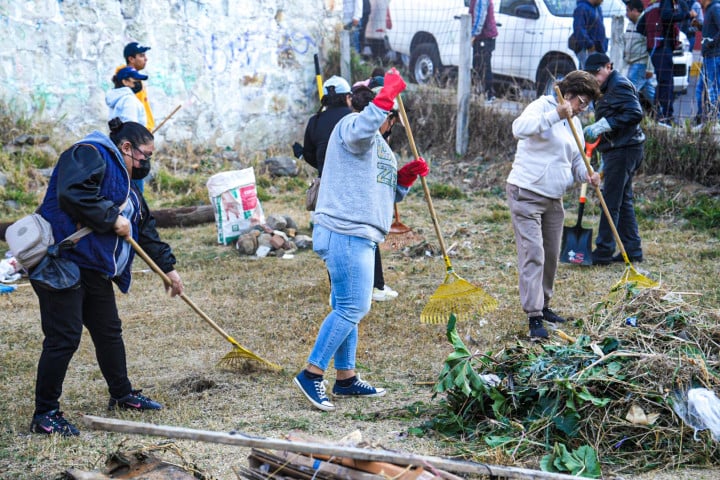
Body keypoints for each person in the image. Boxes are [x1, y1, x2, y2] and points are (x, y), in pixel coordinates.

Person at [29, 119, 184, 437]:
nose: (147, 163)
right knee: (64, 338)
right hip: (61, 261)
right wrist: (111, 217)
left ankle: (122, 394)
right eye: (145, 156)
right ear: (126, 147)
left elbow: (145, 230)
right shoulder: (89, 153)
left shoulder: (130, 187)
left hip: (93, 268)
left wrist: (168, 269)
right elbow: (72, 193)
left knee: (108, 331)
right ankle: (45, 414)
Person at [293, 68, 429, 411]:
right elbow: (363, 130)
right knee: (355, 306)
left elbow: (385, 194)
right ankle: (311, 373)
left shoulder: (381, 147)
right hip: (344, 230)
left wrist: (405, 180)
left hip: (362, 233)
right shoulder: (351, 127)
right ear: (382, 113)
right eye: (388, 116)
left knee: (346, 307)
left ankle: (347, 378)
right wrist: (384, 100)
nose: (390, 124)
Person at [506, 70, 601, 340]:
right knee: (533, 253)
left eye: (587, 104)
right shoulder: (541, 107)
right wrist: (556, 115)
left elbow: (576, 161)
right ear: (568, 94)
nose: (583, 108)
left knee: (550, 254)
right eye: (581, 101)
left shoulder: (576, 124)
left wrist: (588, 175)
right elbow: (518, 129)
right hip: (526, 191)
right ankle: (534, 315)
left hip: (553, 198)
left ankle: (545, 304)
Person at [582, 53, 646, 266]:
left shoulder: (618, 85)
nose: (594, 78)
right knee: (623, 201)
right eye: (590, 74)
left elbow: (635, 113)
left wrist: (603, 125)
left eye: (596, 73)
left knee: (610, 203)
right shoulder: (606, 87)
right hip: (620, 148)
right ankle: (633, 249)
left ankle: (603, 253)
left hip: (624, 149)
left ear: (608, 66)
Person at [638, 0, 690, 124]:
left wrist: (651, 34)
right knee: (667, 82)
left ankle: (657, 115)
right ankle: (666, 116)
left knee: (662, 82)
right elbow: (667, 16)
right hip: (661, 45)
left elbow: (640, 27)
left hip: (655, 47)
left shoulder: (652, 4)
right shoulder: (665, 2)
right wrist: (687, 15)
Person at [623, 0, 657, 107]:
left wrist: (650, 68)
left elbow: (651, 47)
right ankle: (661, 113)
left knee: (629, 92)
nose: (626, 14)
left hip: (640, 64)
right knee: (649, 92)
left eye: (628, 11)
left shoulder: (645, 23)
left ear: (635, 11)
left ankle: (630, 114)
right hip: (632, 63)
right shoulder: (630, 24)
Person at [470, 0, 498, 101]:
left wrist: (473, 35)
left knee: (483, 66)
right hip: (484, 36)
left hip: (484, 37)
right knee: (479, 66)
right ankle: (482, 94)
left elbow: (479, 17)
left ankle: (488, 95)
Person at [697, 0, 720, 124]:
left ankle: (715, 122)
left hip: (714, 56)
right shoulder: (709, 9)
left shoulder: (715, 7)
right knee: (700, 89)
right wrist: (700, 26)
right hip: (708, 56)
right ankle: (702, 120)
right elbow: (712, 29)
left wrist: (710, 43)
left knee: (713, 90)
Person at [572, 0, 608, 69]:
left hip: (598, 49)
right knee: (589, 74)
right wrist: (589, 45)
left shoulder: (597, 8)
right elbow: (579, 30)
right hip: (588, 49)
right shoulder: (581, 8)